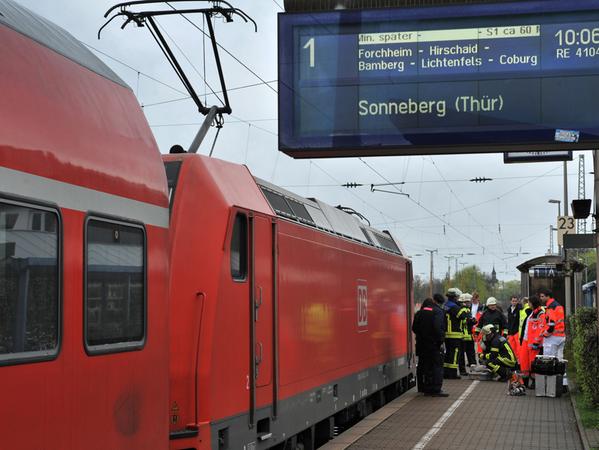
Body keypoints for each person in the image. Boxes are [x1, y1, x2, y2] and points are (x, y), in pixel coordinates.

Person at [412, 298, 448, 397]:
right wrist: (440, 341)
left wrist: (421, 336)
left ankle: (424, 388)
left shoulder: (419, 313)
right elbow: (438, 328)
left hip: (421, 345)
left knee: (423, 366)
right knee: (436, 366)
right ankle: (435, 389)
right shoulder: (435, 313)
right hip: (433, 345)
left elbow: (414, 328)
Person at [520, 295, 545, 388]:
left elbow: (540, 329)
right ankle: (525, 382)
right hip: (526, 341)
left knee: (533, 364)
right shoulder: (533, 313)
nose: (528, 304)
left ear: (533, 303)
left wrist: (537, 342)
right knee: (524, 362)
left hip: (534, 344)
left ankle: (534, 383)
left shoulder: (540, 313)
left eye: (529, 302)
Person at [443, 287, 468, 379]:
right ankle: (452, 374)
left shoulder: (446, 305)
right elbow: (463, 316)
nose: (458, 299)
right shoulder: (454, 307)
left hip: (447, 334)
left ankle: (446, 372)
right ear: (454, 297)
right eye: (457, 297)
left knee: (448, 354)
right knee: (454, 354)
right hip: (454, 334)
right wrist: (464, 307)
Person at [538, 289, 566, 359]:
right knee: (559, 360)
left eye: (542, 296)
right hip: (561, 336)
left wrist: (544, 334)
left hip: (552, 337)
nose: (541, 298)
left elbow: (551, 325)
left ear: (548, 296)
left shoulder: (551, 307)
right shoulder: (558, 306)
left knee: (549, 360)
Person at [458, 293, 477, 375]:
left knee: (463, 354)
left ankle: (464, 370)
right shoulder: (465, 310)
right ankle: (473, 369)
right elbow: (466, 321)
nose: (470, 303)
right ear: (464, 302)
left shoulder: (461, 309)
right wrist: (473, 321)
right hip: (465, 335)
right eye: (468, 302)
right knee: (470, 353)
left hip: (465, 335)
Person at [506, 295, 522, 359]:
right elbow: (509, 322)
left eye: (516, 301)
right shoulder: (509, 309)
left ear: (518, 301)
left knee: (518, 347)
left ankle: (519, 360)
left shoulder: (520, 309)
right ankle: (513, 359)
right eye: (513, 301)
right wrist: (508, 332)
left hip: (517, 331)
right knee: (512, 347)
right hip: (511, 332)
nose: (514, 302)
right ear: (510, 301)